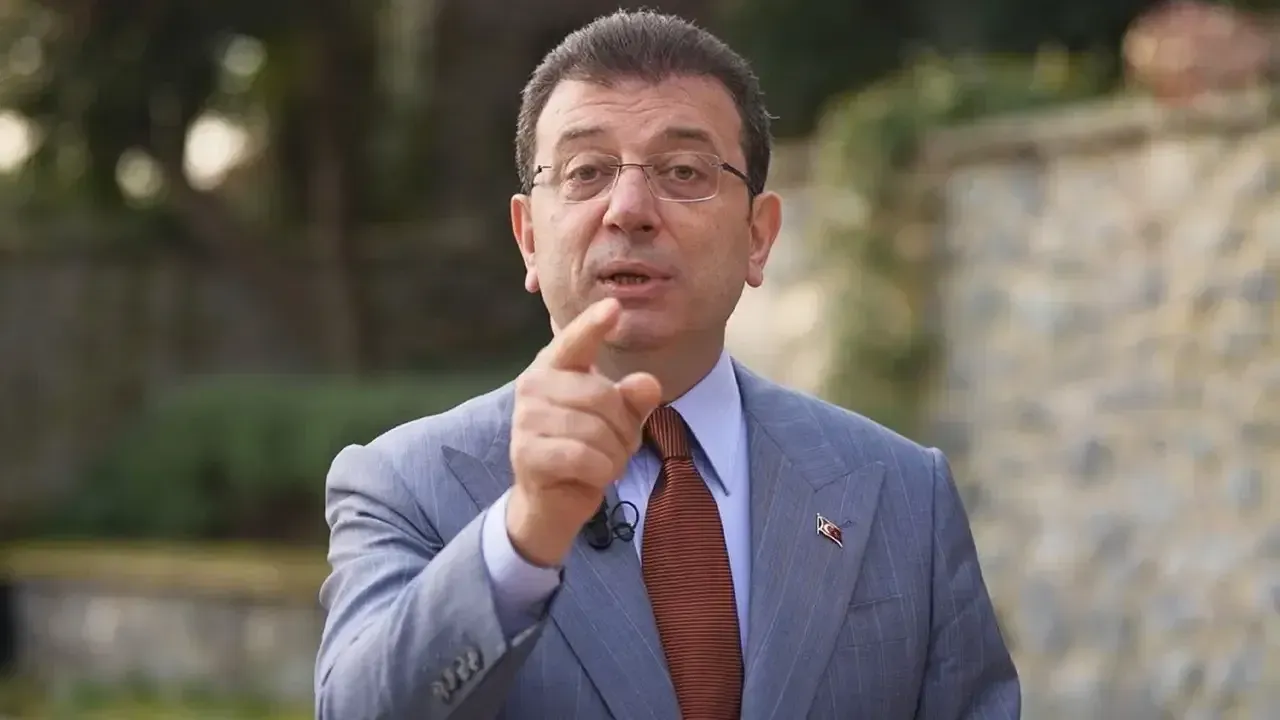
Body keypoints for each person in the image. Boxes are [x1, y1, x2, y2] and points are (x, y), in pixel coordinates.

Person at [314, 10, 1019, 720]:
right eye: (587, 172)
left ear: (758, 236)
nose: (629, 209)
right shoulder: (406, 485)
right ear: (528, 238)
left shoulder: (904, 492)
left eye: (683, 171)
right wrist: (524, 536)